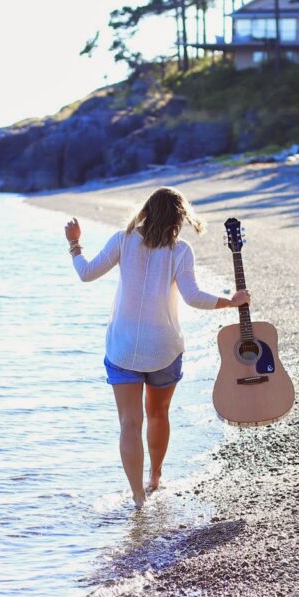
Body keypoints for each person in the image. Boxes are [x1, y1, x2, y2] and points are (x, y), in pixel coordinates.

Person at [64, 186, 250, 510]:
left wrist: (74, 243)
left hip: (123, 348)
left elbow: (86, 273)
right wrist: (230, 303)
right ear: (179, 219)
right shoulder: (180, 250)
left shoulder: (123, 239)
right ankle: (155, 478)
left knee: (129, 423)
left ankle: (137, 498)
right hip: (164, 347)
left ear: (146, 211)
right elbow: (193, 297)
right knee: (158, 413)